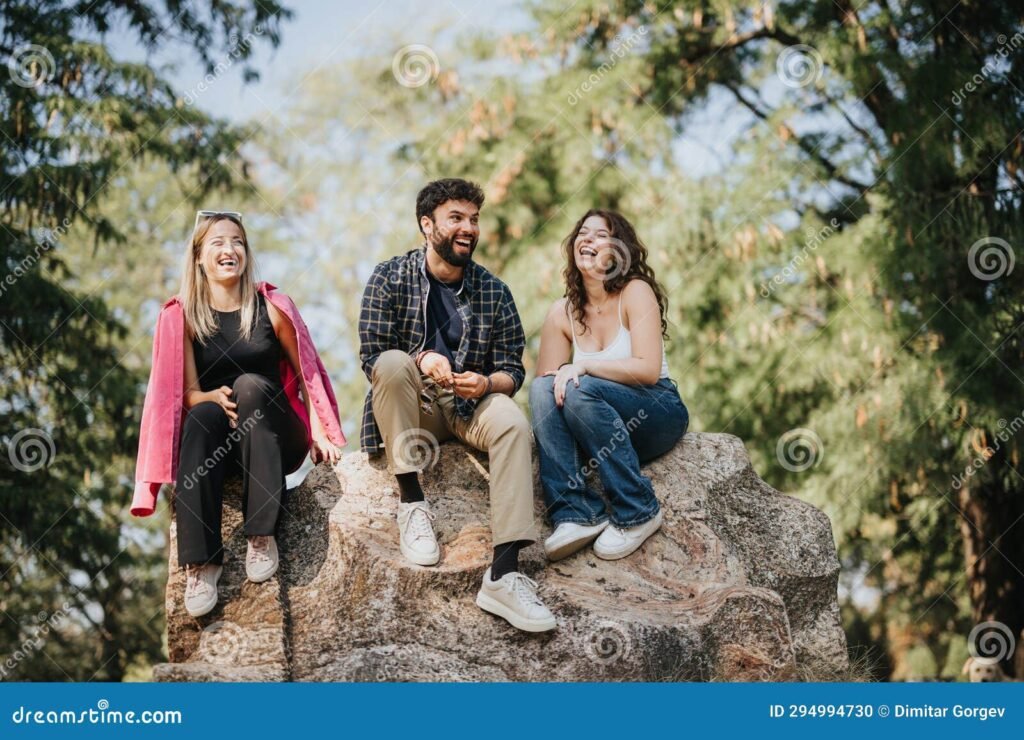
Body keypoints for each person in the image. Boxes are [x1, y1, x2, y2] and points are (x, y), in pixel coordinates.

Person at [358, 178, 555, 633]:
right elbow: (371, 358)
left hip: (469, 407)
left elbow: (513, 371)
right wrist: (421, 357)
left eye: (474, 219)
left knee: (511, 421)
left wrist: (485, 381)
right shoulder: (389, 277)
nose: (468, 228)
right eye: (456, 218)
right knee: (391, 362)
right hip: (415, 408)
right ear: (427, 225)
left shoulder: (494, 291)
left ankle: (504, 574)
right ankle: (412, 503)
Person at [132, 210, 346, 617]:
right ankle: (202, 564)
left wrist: (320, 428)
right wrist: (208, 397)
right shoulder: (184, 316)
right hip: (220, 445)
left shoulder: (272, 307)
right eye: (217, 243)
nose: (229, 250)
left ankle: (261, 535)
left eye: (237, 242)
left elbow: (307, 371)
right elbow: (186, 395)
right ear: (198, 256)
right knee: (202, 417)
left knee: (249, 385)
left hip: (275, 433)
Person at [529, 209, 688, 562]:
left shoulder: (635, 291)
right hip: (598, 426)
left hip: (656, 411)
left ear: (619, 250)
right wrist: (571, 374)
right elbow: (548, 392)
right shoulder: (563, 312)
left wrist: (583, 365)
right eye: (583, 232)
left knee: (579, 385)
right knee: (541, 387)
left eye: (601, 234)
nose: (588, 239)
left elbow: (647, 370)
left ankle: (638, 510)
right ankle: (576, 512)